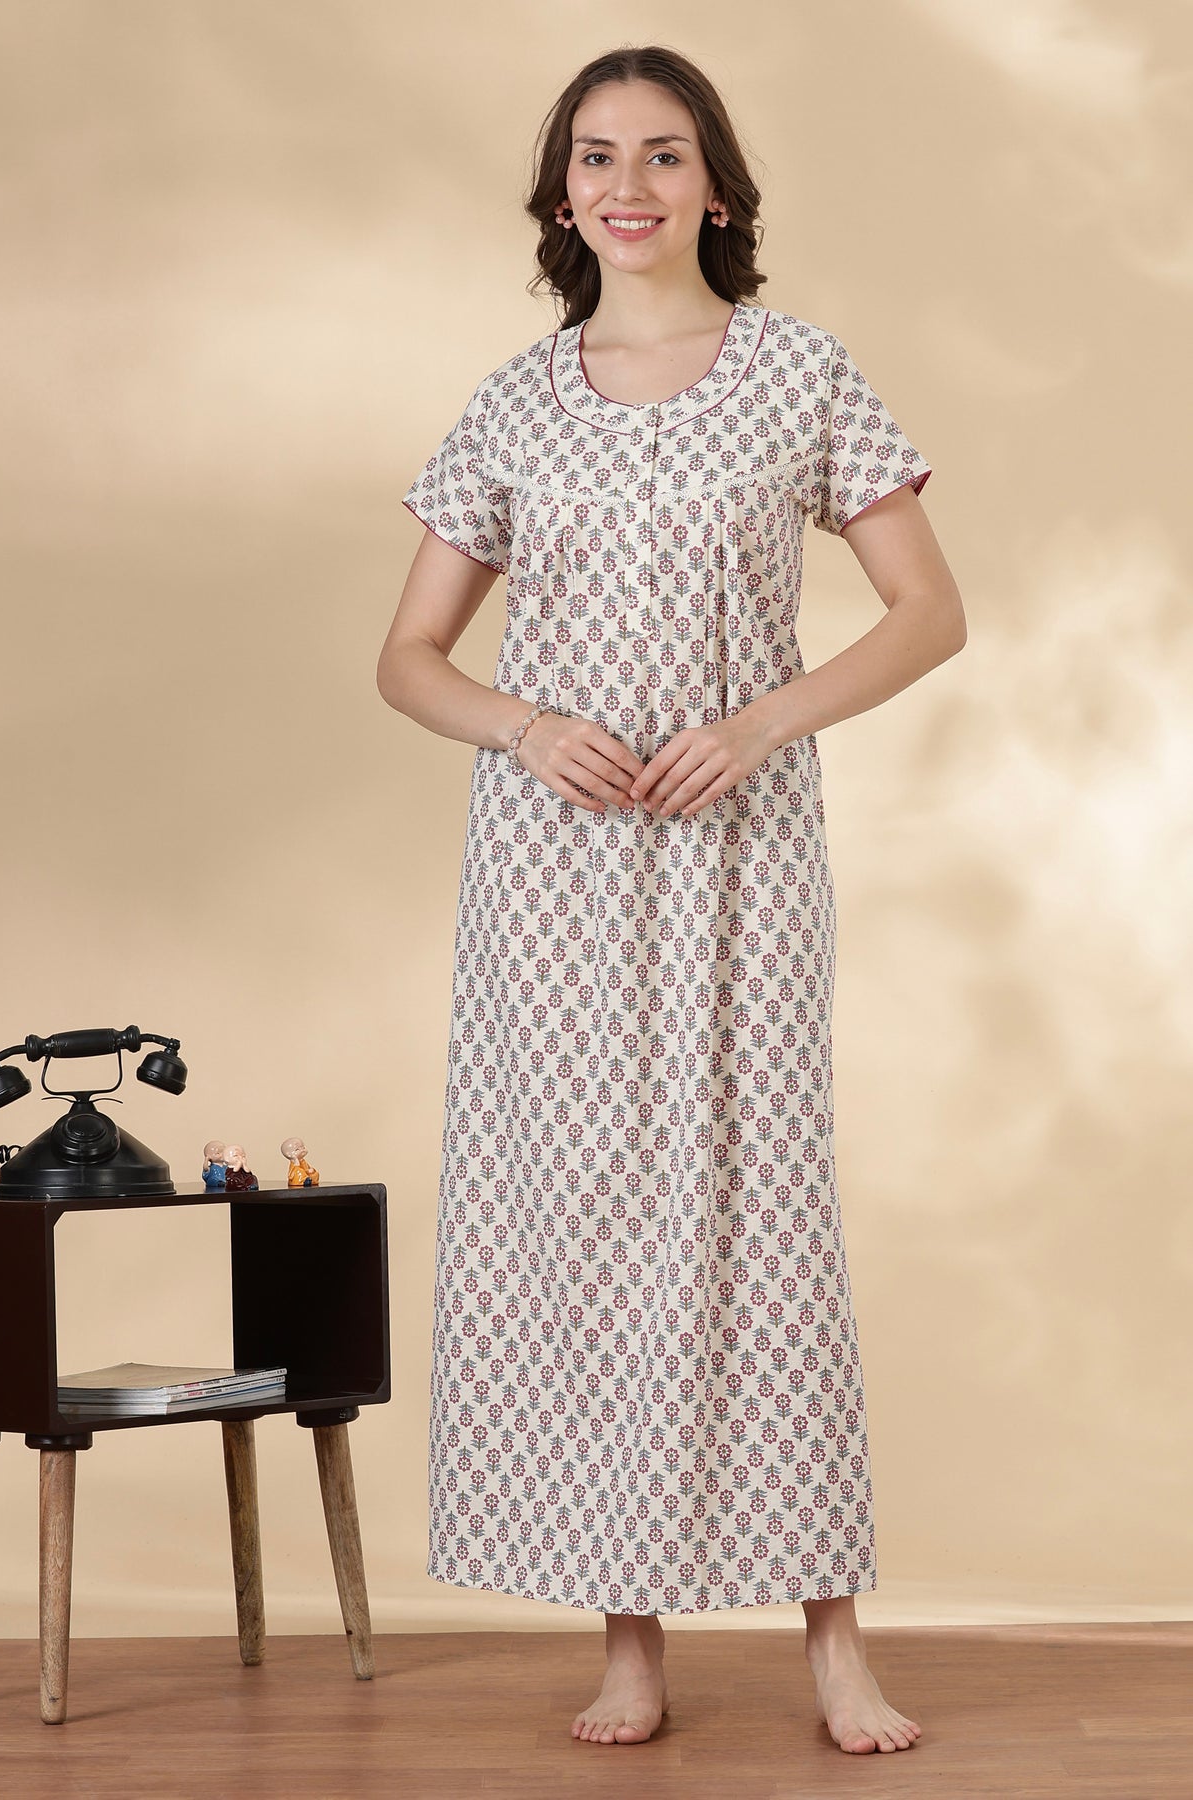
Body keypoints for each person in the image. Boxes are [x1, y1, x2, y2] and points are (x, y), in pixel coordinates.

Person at [378, 44, 964, 1756]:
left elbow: (927, 612)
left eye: (661, 153)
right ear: (560, 193)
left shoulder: (799, 373)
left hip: (737, 860)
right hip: (550, 876)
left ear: (715, 186)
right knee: (579, 1223)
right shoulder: (511, 403)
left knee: (759, 1218)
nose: (625, 183)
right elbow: (407, 657)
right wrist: (523, 725)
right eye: (594, 155)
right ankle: (625, 1640)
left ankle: (830, 1642)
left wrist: (757, 725)